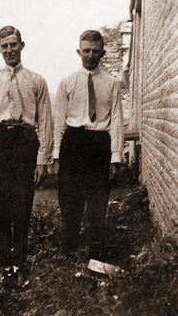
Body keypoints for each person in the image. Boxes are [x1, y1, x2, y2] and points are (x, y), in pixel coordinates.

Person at [0, 25, 53, 286]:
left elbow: (46, 122)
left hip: (24, 143)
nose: (9, 50)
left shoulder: (36, 81)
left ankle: (20, 265)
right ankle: (4, 265)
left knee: (22, 206)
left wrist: (43, 159)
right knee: (1, 208)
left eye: (13, 45)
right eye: (4, 46)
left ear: (22, 46)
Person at [53, 30, 123, 260]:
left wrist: (115, 156)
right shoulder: (67, 83)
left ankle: (96, 252)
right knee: (70, 200)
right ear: (78, 52)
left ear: (103, 52)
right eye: (86, 51)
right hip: (73, 143)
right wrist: (56, 155)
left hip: (99, 144)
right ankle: (69, 250)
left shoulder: (112, 84)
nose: (91, 56)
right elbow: (59, 122)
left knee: (97, 201)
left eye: (95, 51)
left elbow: (116, 121)